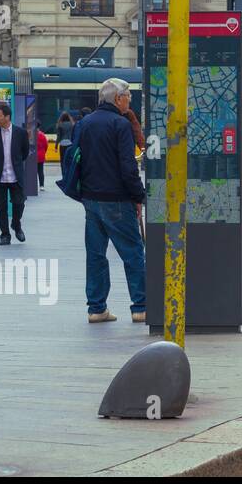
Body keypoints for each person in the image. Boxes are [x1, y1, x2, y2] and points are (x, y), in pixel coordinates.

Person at [77, 78, 147, 324]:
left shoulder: (85, 123)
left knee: (95, 255)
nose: (130, 99)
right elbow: (128, 167)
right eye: (128, 95)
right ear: (117, 99)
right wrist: (139, 195)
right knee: (133, 253)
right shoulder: (120, 125)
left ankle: (96, 309)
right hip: (117, 199)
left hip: (90, 199)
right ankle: (141, 306)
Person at [0, 102, 30, 245]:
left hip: (16, 176)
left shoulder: (21, 133)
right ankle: (5, 235)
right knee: (1, 207)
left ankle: (16, 224)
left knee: (19, 203)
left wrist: (14, 164)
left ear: (7, 117)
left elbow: (24, 153)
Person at [35, 126, 48, 190]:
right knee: (40, 171)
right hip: (41, 156)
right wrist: (43, 152)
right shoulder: (42, 135)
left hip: (32, 156)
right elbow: (46, 145)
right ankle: (41, 186)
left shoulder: (30, 134)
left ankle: (32, 185)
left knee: (32, 171)